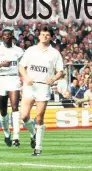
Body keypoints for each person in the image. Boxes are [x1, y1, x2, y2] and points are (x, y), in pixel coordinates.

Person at [19, 27, 64, 156]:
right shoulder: (31, 50)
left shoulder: (54, 53)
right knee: (24, 116)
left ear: (51, 37)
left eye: (47, 35)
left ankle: (38, 147)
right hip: (29, 85)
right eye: (42, 34)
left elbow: (60, 71)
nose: (44, 36)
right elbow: (21, 66)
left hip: (43, 87)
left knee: (39, 117)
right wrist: (26, 78)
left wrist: (54, 78)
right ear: (38, 36)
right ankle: (33, 133)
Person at [0, 28, 24, 147]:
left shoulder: (19, 51)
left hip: (13, 78)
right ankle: (6, 133)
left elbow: (23, 67)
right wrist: (1, 65)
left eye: (9, 35)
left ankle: (16, 137)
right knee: (3, 111)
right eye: (5, 35)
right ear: (1, 37)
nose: (7, 37)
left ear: (12, 36)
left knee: (15, 107)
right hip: (0, 79)